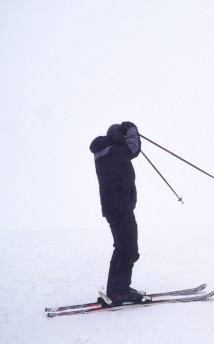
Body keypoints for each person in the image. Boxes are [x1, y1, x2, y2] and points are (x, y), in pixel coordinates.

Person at [89, 121, 146, 306]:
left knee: (123, 249)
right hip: (119, 207)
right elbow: (133, 149)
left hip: (118, 207)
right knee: (128, 249)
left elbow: (130, 150)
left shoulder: (105, 152)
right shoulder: (111, 152)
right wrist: (132, 130)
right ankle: (119, 292)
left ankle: (116, 290)